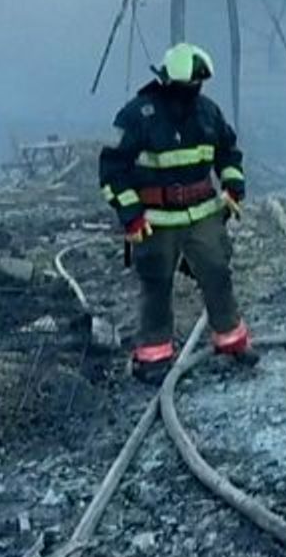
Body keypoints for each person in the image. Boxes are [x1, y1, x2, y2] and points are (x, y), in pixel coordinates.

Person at [98, 42, 252, 383]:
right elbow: (111, 170)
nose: (193, 93)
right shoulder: (137, 116)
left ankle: (231, 341)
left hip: (203, 214)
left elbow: (229, 152)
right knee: (156, 285)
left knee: (217, 274)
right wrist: (131, 215)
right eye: (187, 86)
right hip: (155, 220)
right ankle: (153, 356)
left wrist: (232, 187)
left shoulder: (208, 112)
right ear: (168, 82)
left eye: (197, 86)